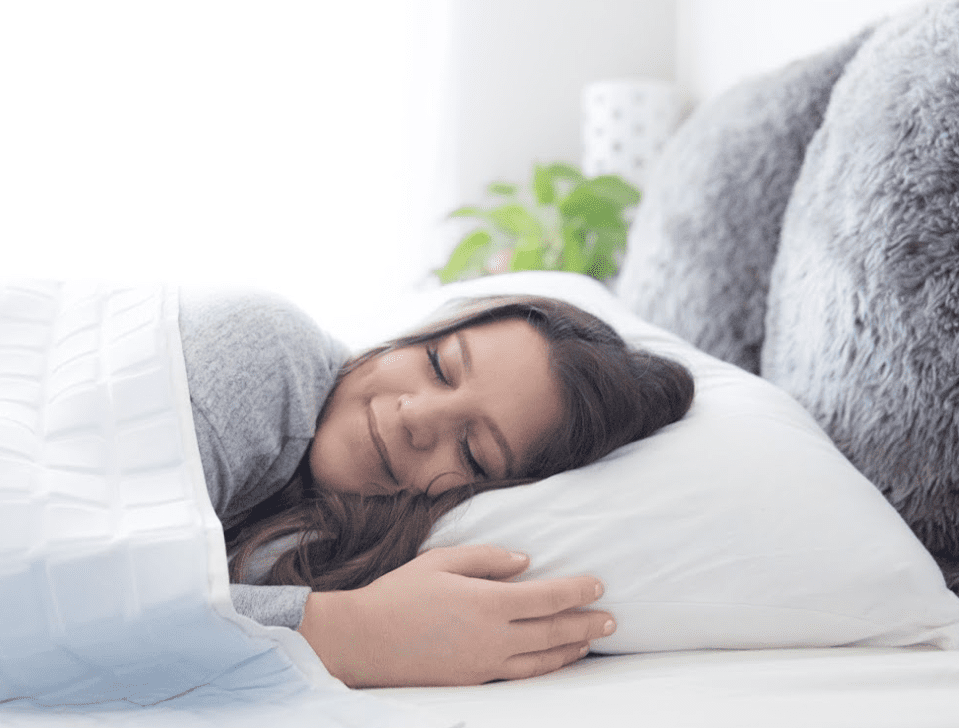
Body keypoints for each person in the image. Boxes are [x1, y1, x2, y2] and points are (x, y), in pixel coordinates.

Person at [179, 288, 694, 688]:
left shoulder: (322, 535)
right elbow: (126, 606)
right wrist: (355, 633)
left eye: (472, 451)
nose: (416, 416)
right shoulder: (266, 353)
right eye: (438, 365)